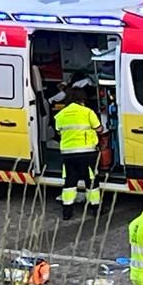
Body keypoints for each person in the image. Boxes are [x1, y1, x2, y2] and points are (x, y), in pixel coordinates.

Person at [54, 87, 103, 220]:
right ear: (83, 98)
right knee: (91, 181)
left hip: (68, 154)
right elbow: (99, 128)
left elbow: (58, 132)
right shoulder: (88, 112)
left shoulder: (60, 115)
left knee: (70, 182)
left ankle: (67, 211)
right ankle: (96, 209)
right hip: (87, 152)